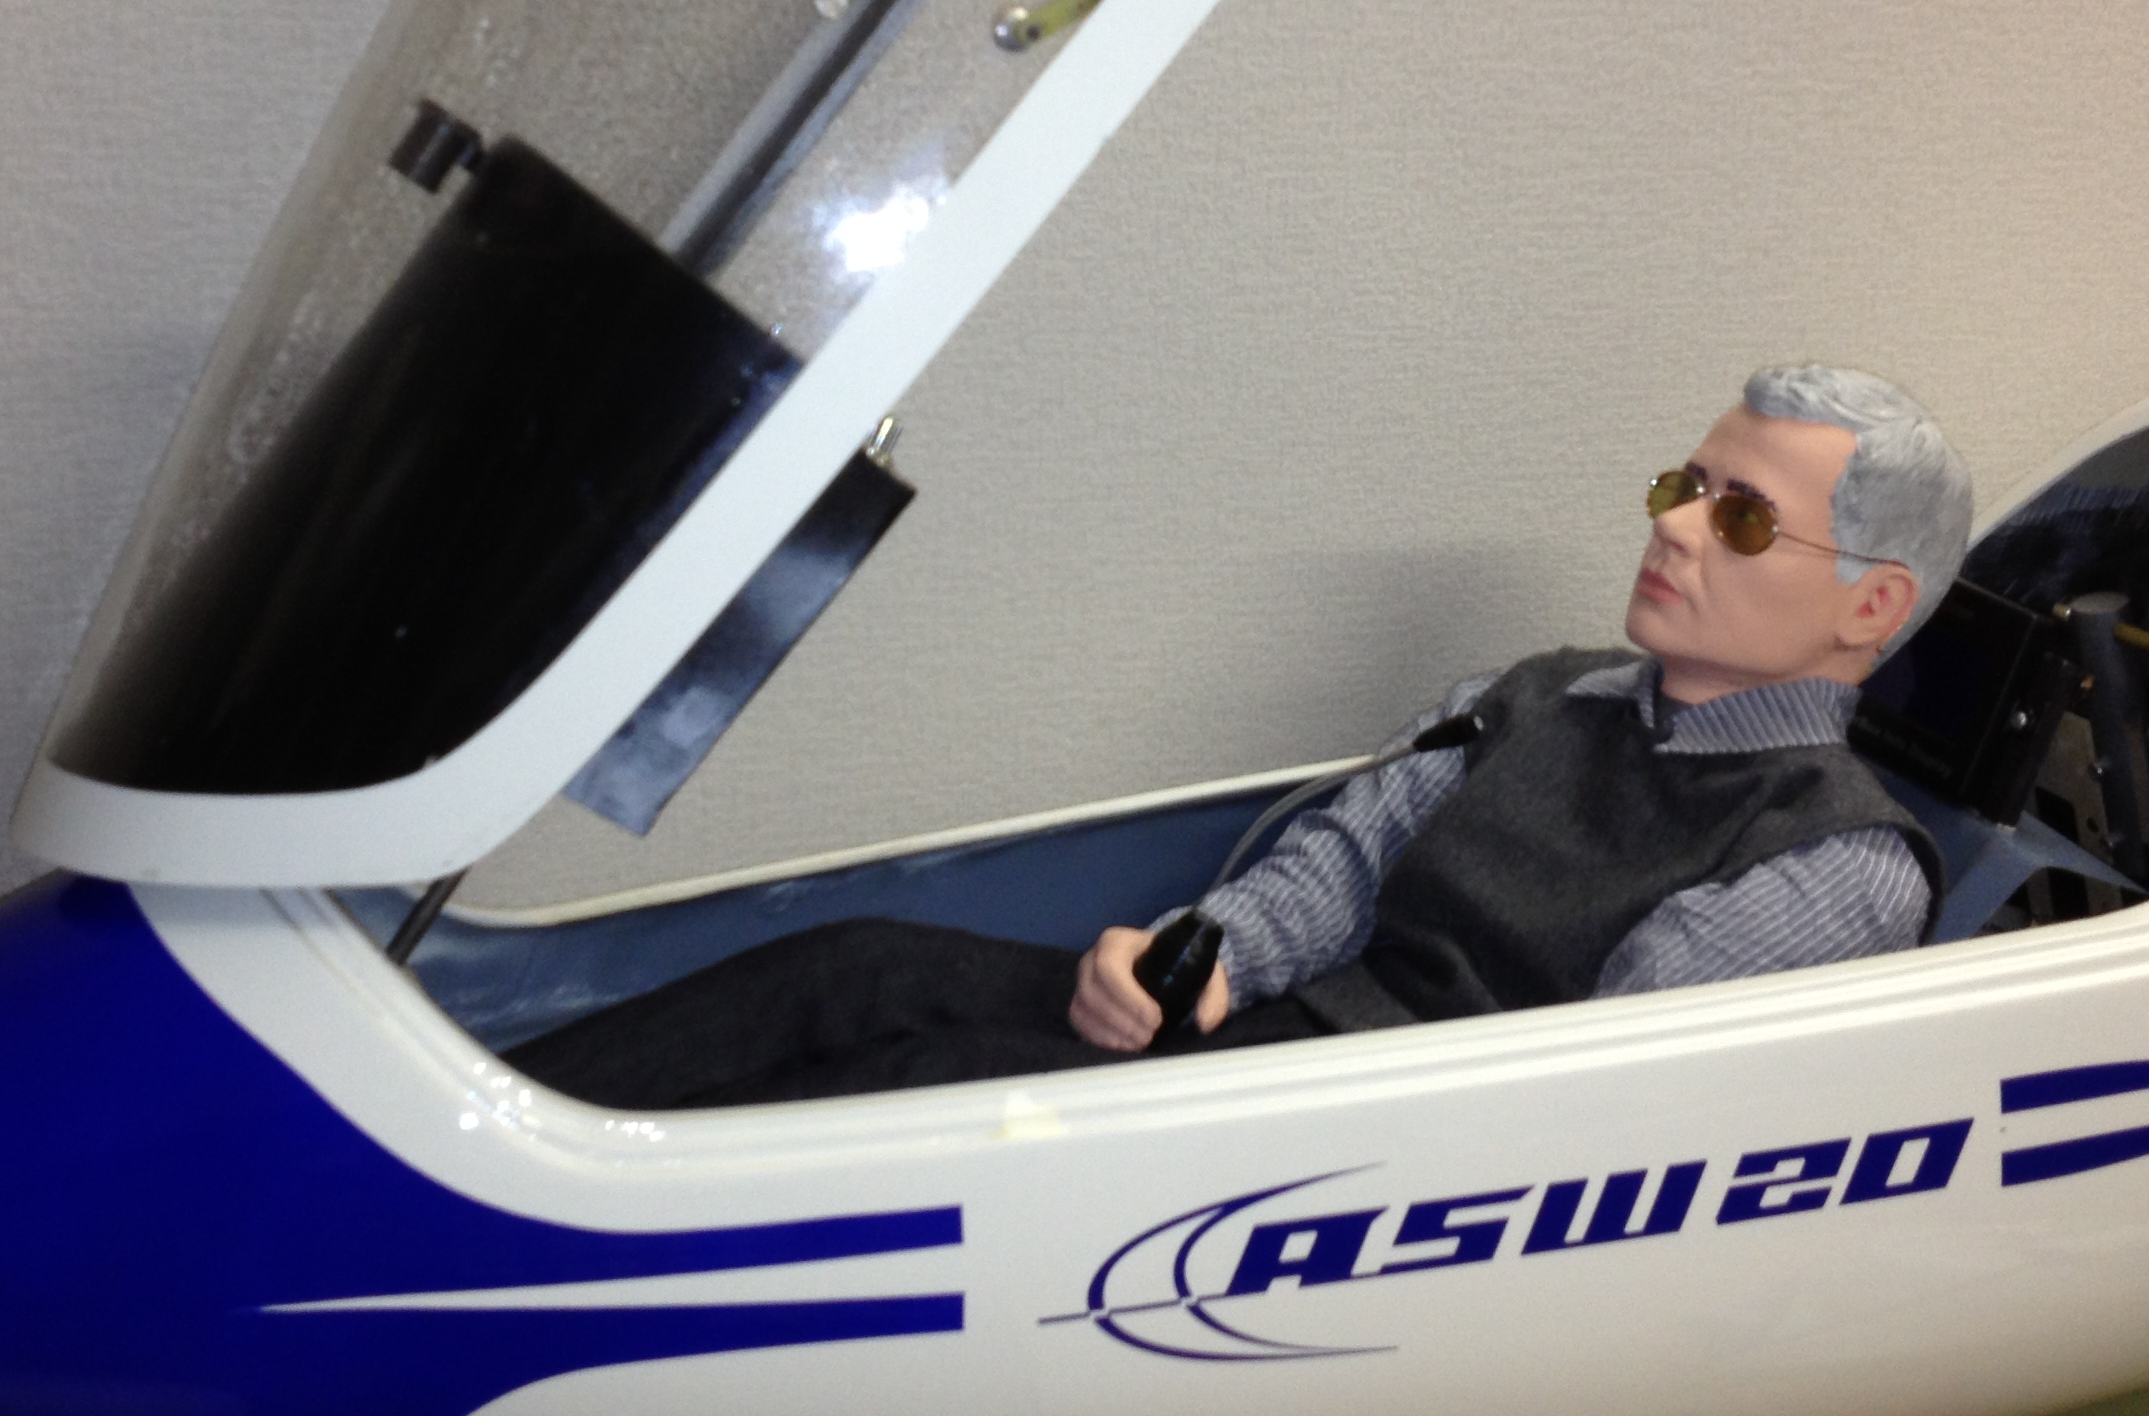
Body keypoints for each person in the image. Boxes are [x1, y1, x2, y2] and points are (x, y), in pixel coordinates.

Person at [507, 364, 1972, 1110]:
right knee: (861, 965)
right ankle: (479, 1144)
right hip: (1277, 1033)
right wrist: (1194, 963)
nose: (1674, 526)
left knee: (912, 1094)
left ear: (1872, 606)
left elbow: (1569, 1118)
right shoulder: (1546, 690)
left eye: (1741, 518)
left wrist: (1239, 1096)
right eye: (1683, 484)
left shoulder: (1832, 862)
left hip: (1350, 1152)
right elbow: (1345, 862)